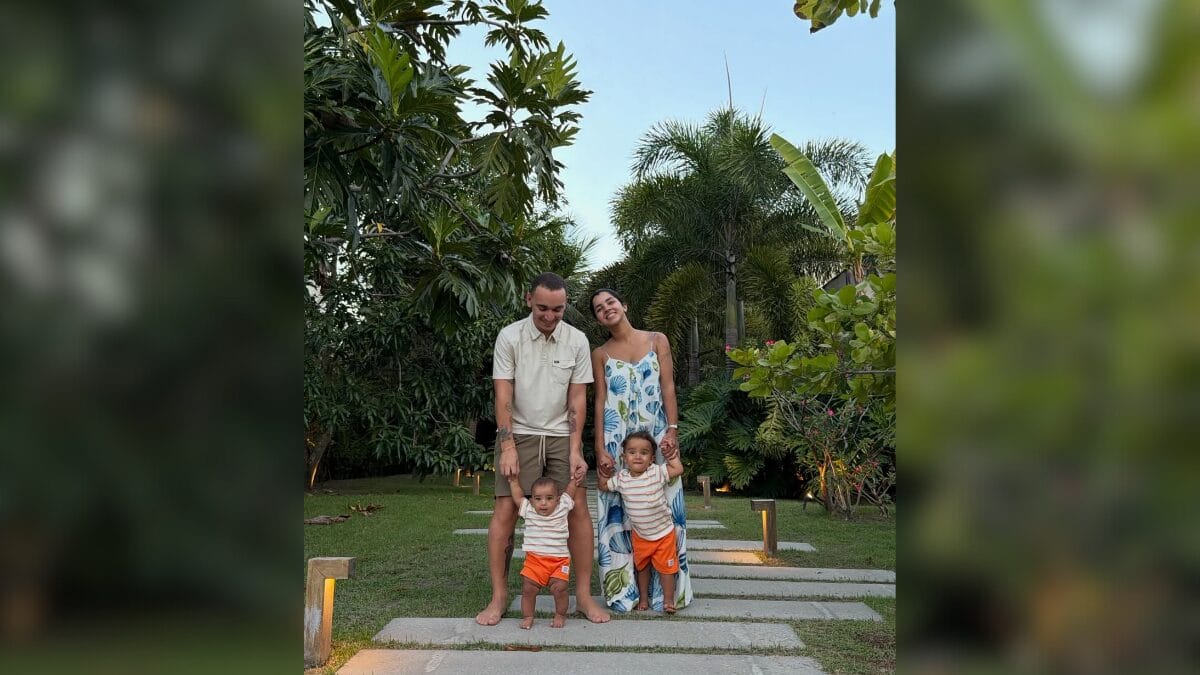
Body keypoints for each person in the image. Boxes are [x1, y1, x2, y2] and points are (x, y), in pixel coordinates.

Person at [476, 273, 611, 626]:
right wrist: (507, 446)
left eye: (558, 309)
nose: (550, 316)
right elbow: (503, 393)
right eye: (542, 309)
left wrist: (575, 449)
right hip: (518, 433)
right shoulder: (509, 337)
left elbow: (578, 397)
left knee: (577, 508)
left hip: (561, 435)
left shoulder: (577, 340)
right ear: (528, 300)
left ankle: (583, 597)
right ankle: (499, 597)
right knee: (506, 509)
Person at [590, 287, 693, 613]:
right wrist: (600, 448)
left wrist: (672, 430)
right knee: (616, 511)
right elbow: (600, 401)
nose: (606, 308)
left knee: (666, 503)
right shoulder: (600, 354)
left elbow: (668, 387)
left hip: (658, 436)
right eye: (598, 308)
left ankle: (670, 593)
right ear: (598, 318)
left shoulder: (657, 340)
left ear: (624, 304)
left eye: (610, 302)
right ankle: (625, 590)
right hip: (617, 439)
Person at [598, 431, 685, 612]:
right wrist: (604, 473)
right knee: (642, 568)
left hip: (663, 533)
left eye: (644, 453)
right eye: (632, 452)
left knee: (667, 570)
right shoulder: (621, 478)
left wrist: (671, 456)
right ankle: (643, 599)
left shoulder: (656, 472)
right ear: (624, 457)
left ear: (652, 458)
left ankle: (668, 601)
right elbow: (604, 486)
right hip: (641, 535)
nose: (638, 456)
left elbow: (677, 470)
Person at [507, 469, 584, 628]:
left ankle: (560, 615)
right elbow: (518, 498)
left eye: (549, 498)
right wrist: (513, 481)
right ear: (532, 500)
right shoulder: (528, 510)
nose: (543, 503)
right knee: (528, 589)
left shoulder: (562, 507)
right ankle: (528, 616)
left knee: (560, 589)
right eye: (538, 499)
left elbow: (570, 492)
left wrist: (575, 480)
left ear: (557, 499)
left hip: (559, 561)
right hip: (534, 561)